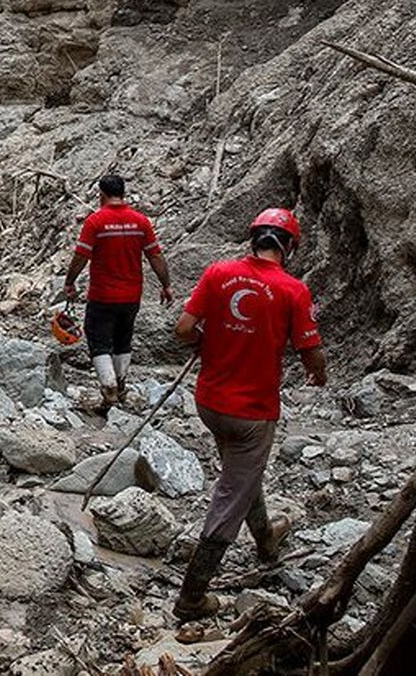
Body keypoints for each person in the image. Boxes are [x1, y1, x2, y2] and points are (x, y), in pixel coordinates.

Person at [171, 207, 327, 622]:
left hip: (209, 403)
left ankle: (266, 543)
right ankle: (191, 596)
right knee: (231, 491)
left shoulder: (218, 273)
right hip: (253, 411)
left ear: (253, 237)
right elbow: (310, 350)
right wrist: (319, 374)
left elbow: (185, 328)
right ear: (289, 246)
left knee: (242, 474)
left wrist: (209, 343)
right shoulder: (293, 290)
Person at [63, 175, 174, 407]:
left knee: (99, 340)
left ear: (101, 194)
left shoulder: (95, 222)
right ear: (122, 193)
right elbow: (155, 255)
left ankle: (109, 386)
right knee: (123, 339)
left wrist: (69, 282)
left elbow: (81, 255)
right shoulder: (140, 221)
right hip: (132, 296)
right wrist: (166, 285)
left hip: (103, 295)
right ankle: (120, 383)